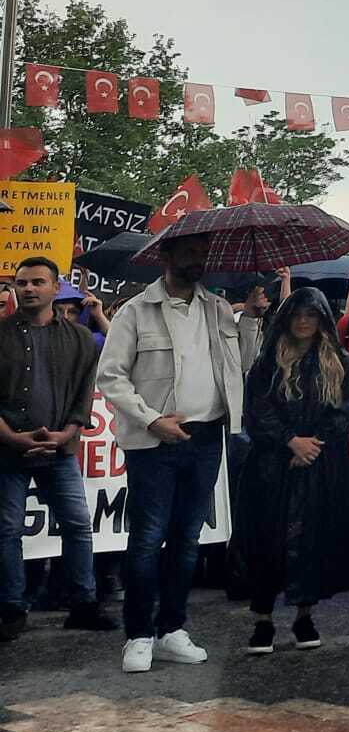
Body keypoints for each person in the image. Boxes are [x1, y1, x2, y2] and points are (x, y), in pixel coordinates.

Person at [96, 232, 242, 674]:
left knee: (187, 540)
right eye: (190, 252)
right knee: (146, 539)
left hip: (205, 436)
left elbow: (241, 366)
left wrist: (251, 319)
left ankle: (172, 629)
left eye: (202, 253)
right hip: (154, 440)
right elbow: (111, 377)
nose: (198, 259)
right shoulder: (136, 311)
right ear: (167, 255)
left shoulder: (218, 309)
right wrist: (150, 419)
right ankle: (139, 635)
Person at [233, 289, 349, 655]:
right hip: (272, 467)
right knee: (266, 540)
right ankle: (262, 620)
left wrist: (312, 445)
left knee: (312, 541)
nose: (304, 321)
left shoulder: (338, 360)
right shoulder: (267, 363)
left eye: (311, 314)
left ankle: (305, 615)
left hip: (319, 468)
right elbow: (257, 410)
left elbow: (343, 411)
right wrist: (290, 441)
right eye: (297, 314)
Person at [1, 256, 111, 639]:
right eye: (22, 282)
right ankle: (12, 608)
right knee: (7, 529)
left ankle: (83, 603)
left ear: (54, 287)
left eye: (37, 282)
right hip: (7, 452)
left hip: (60, 450)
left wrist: (67, 434)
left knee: (78, 526)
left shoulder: (79, 338)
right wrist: (12, 436)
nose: (28, 288)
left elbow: (84, 393)